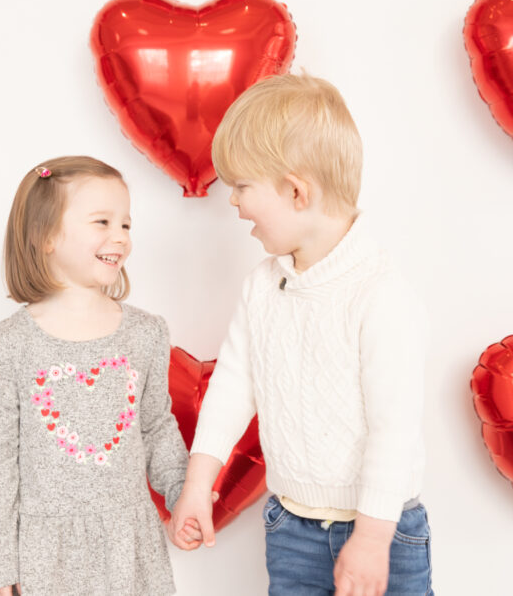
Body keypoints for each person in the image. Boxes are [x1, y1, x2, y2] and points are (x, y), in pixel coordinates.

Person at [170, 75, 433, 595]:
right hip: (292, 530)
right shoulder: (261, 289)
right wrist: (198, 485)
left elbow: (394, 430)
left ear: (296, 191)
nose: (233, 203)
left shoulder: (379, 294)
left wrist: (373, 538)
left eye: (242, 187)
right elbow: (231, 390)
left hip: (385, 530)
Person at [0, 156, 191, 596]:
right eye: (102, 222)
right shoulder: (8, 344)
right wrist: (1, 565)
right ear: (47, 235)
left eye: (126, 225)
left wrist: (182, 494)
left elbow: (156, 426)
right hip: (46, 555)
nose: (120, 238)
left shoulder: (145, 334)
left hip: (131, 546)